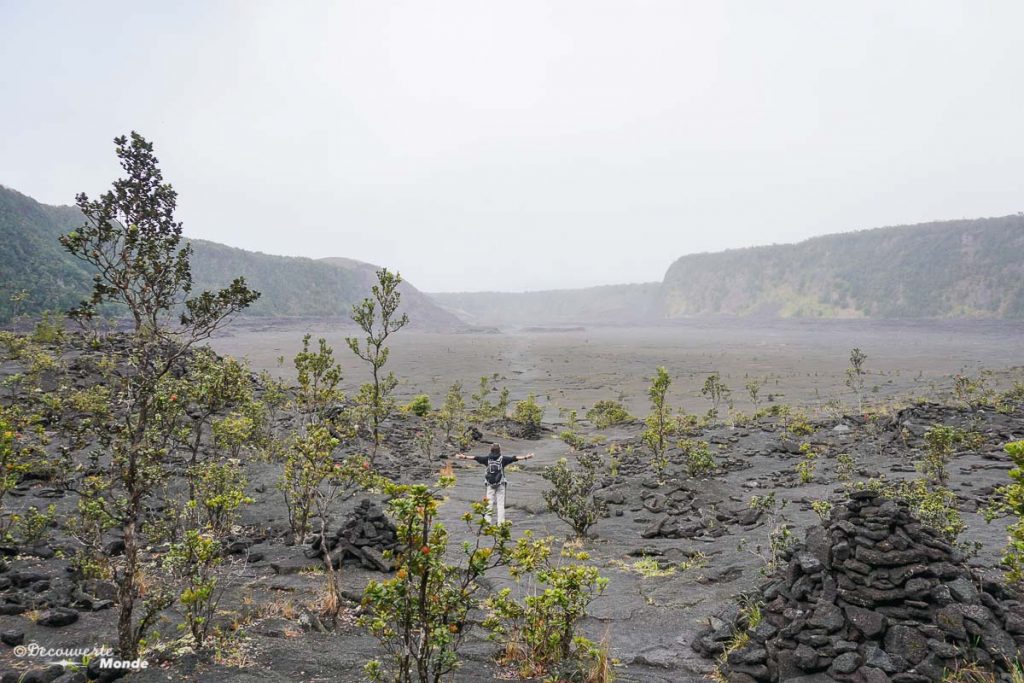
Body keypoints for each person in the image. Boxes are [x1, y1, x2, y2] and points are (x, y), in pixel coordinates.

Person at [455, 443, 534, 524]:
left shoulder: (487, 459)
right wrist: (526, 457)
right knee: (500, 505)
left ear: (491, 450)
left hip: (490, 484)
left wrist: (464, 457)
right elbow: (514, 458)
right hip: (501, 484)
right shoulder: (503, 459)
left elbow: (476, 457)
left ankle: (487, 522)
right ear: (499, 450)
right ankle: (501, 524)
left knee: (489, 504)